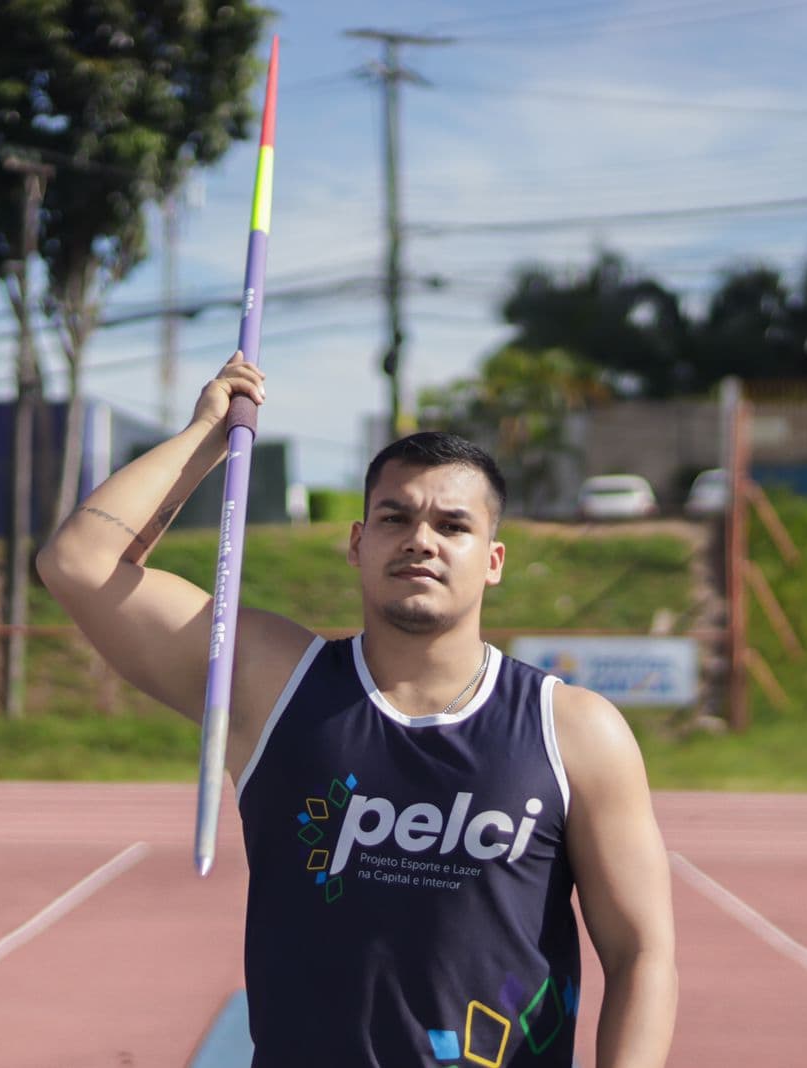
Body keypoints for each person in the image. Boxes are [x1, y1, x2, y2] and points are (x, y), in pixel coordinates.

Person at [38, 353, 677, 1066]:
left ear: (492, 559)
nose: (421, 539)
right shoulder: (277, 685)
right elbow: (81, 562)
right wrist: (210, 434)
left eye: (453, 525)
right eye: (395, 516)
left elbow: (642, 954)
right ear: (357, 541)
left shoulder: (574, 730)